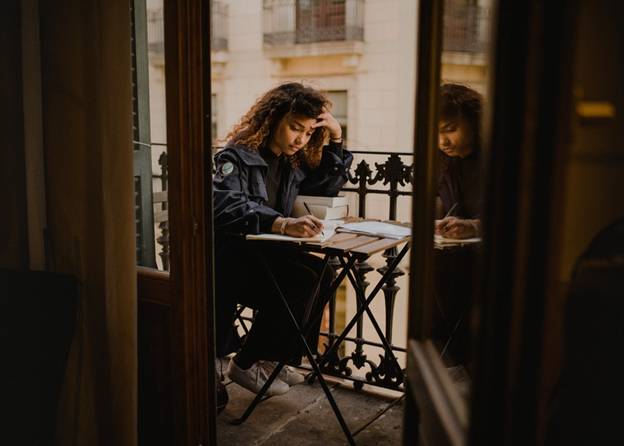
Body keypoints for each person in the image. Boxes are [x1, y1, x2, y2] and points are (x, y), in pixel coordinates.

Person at [213, 82, 353, 397]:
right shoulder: (235, 156)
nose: (301, 139)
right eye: (295, 128)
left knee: (325, 273)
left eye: (307, 133)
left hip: (262, 256)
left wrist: (337, 137)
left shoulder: (291, 163)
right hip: (230, 261)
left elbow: (325, 188)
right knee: (301, 280)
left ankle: (271, 359)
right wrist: (281, 223)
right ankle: (247, 363)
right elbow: (226, 206)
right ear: (273, 119)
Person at [435, 83, 483, 239]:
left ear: (473, 122)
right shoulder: (441, 162)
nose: (442, 142)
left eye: (450, 130)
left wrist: (474, 227)